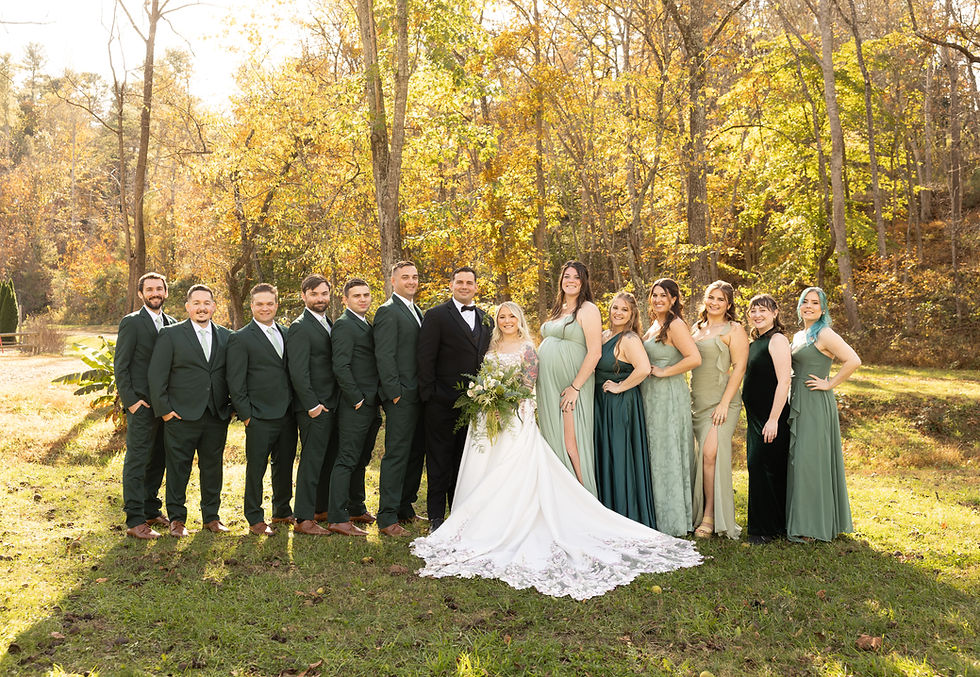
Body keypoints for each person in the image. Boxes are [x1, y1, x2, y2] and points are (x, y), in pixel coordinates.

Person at [411, 302, 702, 600]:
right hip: (487, 415)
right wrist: (487, 398)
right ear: (497, 321)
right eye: (502, 316)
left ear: (520, 319)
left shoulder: (527, 347)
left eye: (512, 315)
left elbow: (528, 385)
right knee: (481, 465)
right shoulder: (491, 344)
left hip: (514, 414)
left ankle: (513, 521)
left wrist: (508, 406)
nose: (508, 320)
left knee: (513, 469)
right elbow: (483, 375)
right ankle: (473, 521)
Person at [147, 284, 232, 537]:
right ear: (188, 307)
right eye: (196, 303)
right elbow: (157, 375)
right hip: (180, 416)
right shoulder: (171, 334)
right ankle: (177, 519)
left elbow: (234, 374)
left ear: (214, 306)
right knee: (178, 468)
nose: (202, 308)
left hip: (216, 415)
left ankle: (212, 517)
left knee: (212, 468)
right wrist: (165, 411)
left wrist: (231, 407)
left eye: (207, 303)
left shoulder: (227, 336)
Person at [416, 266, 492, 531]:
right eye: (459, 282)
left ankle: (459, 514)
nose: (464, 286)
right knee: (439, 460)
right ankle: (436, 517)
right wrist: (431, 396)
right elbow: (425, 359)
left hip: (474, 405)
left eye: (469, 283)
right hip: (440, 403)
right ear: (451, 285)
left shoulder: (485, 318)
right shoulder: (436, 315)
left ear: (475, 287)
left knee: (465, 462)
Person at [787, 287, 860, 542]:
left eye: (815, 303)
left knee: (811, 461)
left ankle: (812, 527)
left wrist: (829, 384)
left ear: (823, 308)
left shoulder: (825, 333)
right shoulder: (799, 335)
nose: (809, 306)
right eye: (804, 302)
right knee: (800, 460)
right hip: (797, 400)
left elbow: (853, 360)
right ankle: (802, 520)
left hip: (816, 402)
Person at [226, 283, 297, 536]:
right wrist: (246, 415)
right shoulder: (240, 338)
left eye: (270, 303)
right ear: (252, 306)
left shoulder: (288, 333)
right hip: (258, 416)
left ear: (276, 305)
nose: (265, 308)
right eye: (260, 304)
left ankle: (281, 510)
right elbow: (235, 381)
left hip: (287, 414)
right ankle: (254, 516)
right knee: (256, 467)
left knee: (285, 464)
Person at [114, 272, 175, 539]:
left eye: (159, 289)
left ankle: (151, 509)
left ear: (166, 292)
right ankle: (135, 520)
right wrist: (132, 403)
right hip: (141, 405)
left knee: (158, 459)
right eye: (149, 289)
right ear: (141, 294)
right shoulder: (132, 323)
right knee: (137, 461)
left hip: (166, 406)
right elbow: (121, 365)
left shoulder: (172, 323)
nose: (154, 293)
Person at [640, 278, 701, 537]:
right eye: (654, 295)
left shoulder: (675, 324)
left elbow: (694, 358)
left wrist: (665, 372)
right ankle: (655, 514)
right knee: (655, 453)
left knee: (668, 453)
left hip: (668, 395)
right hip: (650, 396)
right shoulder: (655, 325)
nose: (658, 300)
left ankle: (673, 519)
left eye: (663, 295)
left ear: (674, 299)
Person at [536, 261, 602, 496]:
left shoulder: (588, 310)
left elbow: (595, 352)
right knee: (553, 439)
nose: (570, 280)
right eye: (566, 276)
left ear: (584, 282)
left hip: (572, 385)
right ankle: (560, 497)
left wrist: (575, 387)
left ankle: (584, 499)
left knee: (571, 443)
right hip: (548, 386)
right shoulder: (558, 309)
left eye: (576, 277)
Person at [690, 281, 748, 539]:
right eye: (711, 297)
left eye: (721, 299)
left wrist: (725, 402)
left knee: (711, 453)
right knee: (700, 456)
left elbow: (740, 368)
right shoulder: (697, 328)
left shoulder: (734, 329)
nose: (714, 303)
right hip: (698, 401)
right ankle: (697, 511)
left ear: (729, 304)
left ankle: (710, 515)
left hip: (723, 402)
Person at [373, 261, 427, 538]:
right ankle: (386, 516)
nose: (411, 281)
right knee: (396, 454)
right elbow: (384, 355)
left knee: (415, 452)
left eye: (415, 277)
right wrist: (393, 393)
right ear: (393, 281)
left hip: (419, 395)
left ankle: (405, 507)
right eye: (405, 277)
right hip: (401, 397)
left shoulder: (416, 310)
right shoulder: (387, 311)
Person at [593, 292, 656, 528]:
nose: (617, 313)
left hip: (620, 404)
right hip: (600, 403)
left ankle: (626, 515)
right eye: (614, 307)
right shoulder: (604, 335)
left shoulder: (629, 339)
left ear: (632, 315)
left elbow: (644, 368)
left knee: (619, 456)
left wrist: (620, 387)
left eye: (624, 310)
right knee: (605, 454)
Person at [327, 279, 383, 537]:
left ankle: (356, 508)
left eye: (366, 295)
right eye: (357, 296)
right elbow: (341, 366)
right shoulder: (344, 325)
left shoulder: (365, 323)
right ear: (345, 299)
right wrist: (357, 398)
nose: (363, 299)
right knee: (347, 459)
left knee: (362, 458)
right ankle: (338, 518)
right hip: (355, 405)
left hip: (371, 403)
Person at [286, 275, 339, 536]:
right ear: (304, 295)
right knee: (311, 460)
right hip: (313, 407)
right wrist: (312, 405)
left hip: (330, 403)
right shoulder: (300, 326)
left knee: (326, 459)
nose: (321, 299)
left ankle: (320, 509)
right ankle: (303, 518)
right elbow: (298, 371)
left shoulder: (327, 322)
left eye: (324, 293)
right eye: (315, 294)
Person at [742, 294, 791, 544]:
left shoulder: (778, 340)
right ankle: (765, 526)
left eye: (763, 310)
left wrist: (774, 419)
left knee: (764, 467)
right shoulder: (755, 342)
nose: (757, 315)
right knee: (758, 467)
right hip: (755, 417)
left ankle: (766, 529)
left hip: (771, 416)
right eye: (753, 310)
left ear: (775, 313)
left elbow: (784, 380)